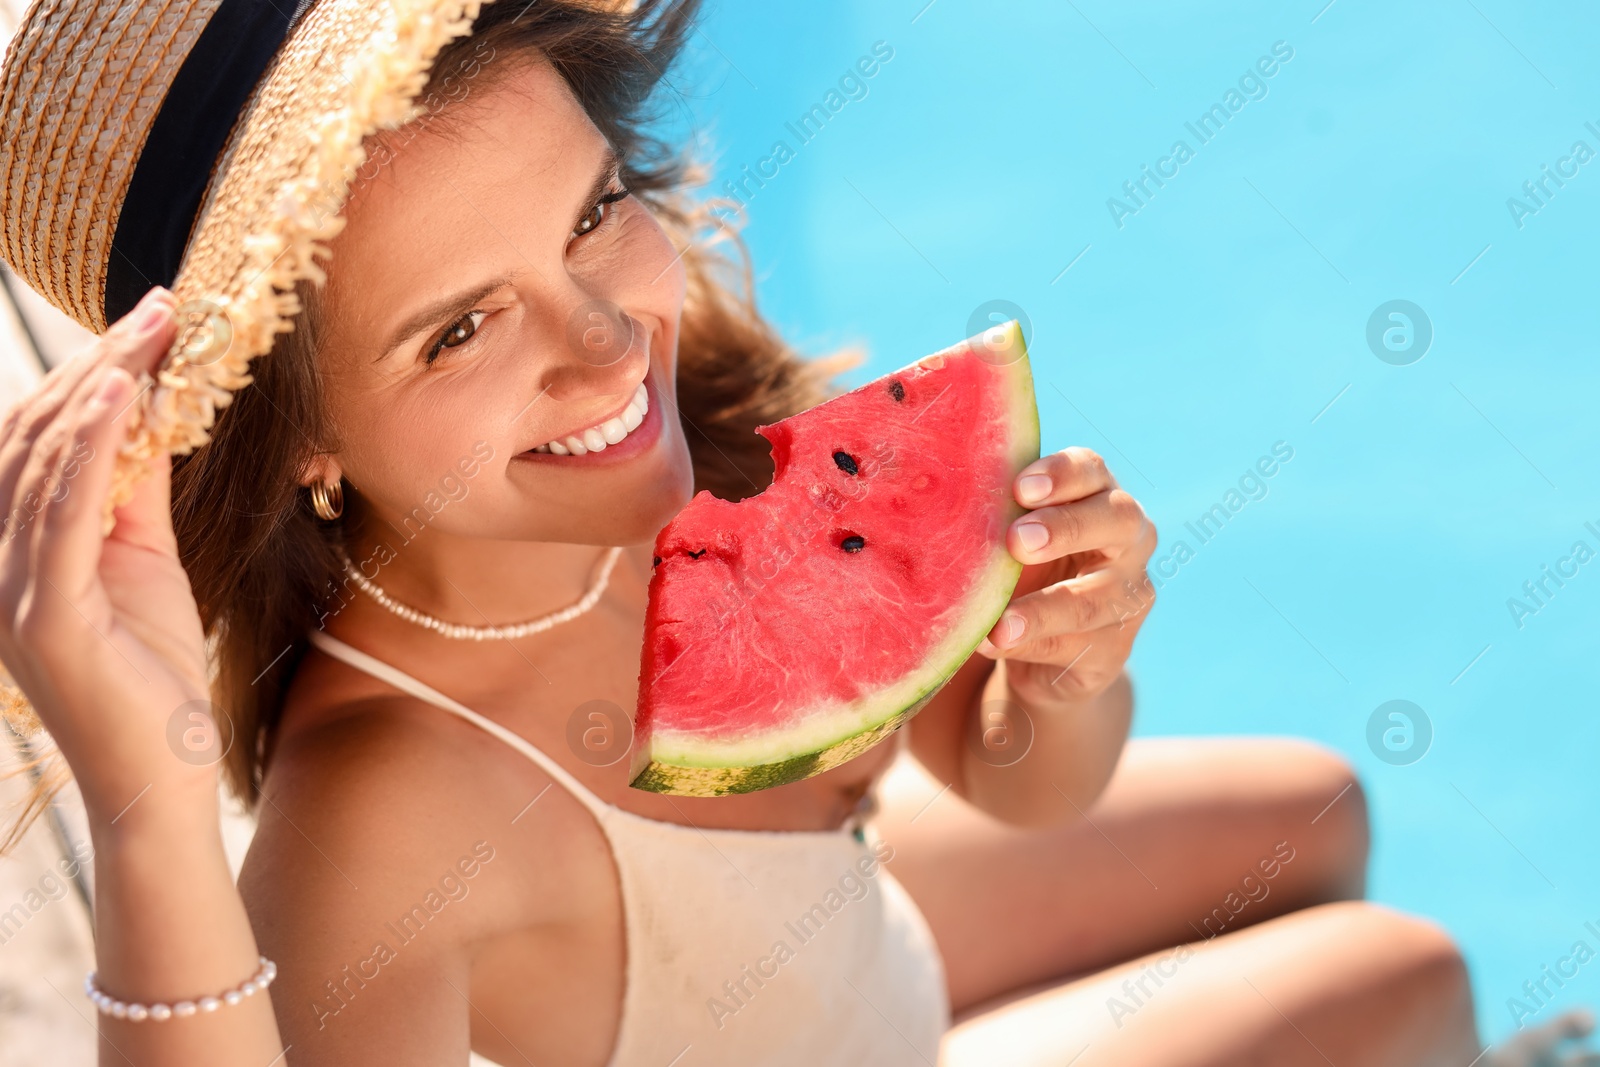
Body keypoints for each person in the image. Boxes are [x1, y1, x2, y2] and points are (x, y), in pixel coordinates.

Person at [0, 1, 1591, 1064]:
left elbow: (1016, 788)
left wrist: (1062, 677)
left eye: (590, 210)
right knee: (1410, 977)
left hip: (840, 954)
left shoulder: (664, 414)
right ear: (299, 446)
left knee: (1312, 812)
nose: (611, 343)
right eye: (461, 330)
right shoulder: (391, 823)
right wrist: (145, 807)